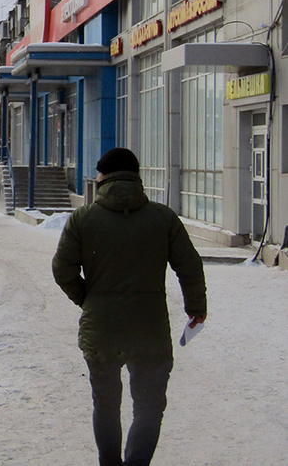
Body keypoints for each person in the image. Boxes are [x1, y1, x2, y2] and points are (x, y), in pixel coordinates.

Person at [51, 147, 207, 466]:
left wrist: (87, 298)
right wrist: (196, 306)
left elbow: (62, 269)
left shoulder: (83, 218)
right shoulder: (163, 218)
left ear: (103, 175)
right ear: (137, 177)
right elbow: (189, 266)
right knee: (149, 407)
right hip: (149, 329)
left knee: (106, 405)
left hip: (102, 330)